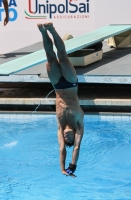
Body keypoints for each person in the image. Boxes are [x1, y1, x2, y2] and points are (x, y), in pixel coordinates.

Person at [37, 23, 84, 178]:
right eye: (68, 138)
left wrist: (62, 169)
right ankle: (52, 29)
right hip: (70, 83)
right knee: (63, 56)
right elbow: (76, 148)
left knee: (50, 56)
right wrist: (72, 167)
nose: (65, 136)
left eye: (65, 138)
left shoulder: (60, 125)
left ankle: (43, 32)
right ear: (74, 135)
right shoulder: (79, 124)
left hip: (57, 84)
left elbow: (61, 149)